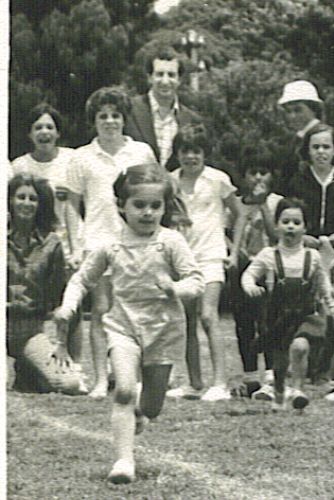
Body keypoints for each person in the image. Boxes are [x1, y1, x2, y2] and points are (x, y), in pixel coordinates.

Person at [54, 164, 204, 484]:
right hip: (123, 327)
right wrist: (68, 306)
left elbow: (196, 281)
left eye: (155, 206)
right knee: (123, 389)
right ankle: (124, 460)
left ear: (164, 207)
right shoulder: (111, 246)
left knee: (151, 407)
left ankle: (139, 412)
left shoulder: (171, 242)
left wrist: (175, 288)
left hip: (163, 329)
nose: (147, 213)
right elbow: (81, 279)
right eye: (139, 205)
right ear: (122, 205)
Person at [62, 86, 158, 398]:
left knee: (135, 309)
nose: (110, 121)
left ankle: (134, 376)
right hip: (98, 241)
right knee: (102, 309)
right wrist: (76, 246)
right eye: (103, 116)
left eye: (115, 115)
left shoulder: (141, 152)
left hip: (136, 243)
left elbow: (154, 196)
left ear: (124, 118)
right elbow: (71, 206)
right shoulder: (81, 157)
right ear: (95, 121)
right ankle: (102, 379)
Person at [278, 123, 334, 402]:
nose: (321, 152)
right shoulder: (298, 182)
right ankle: (296, 371)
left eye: (326, 146)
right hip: (307, 254)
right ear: (308, 151)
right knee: (305, 311)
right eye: (315, 147)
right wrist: (308, 238)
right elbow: (289, 217)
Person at [242, 198, 334, 410]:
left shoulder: (312, 256)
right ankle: (279, 391)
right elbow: (248, 274)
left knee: (300, 347)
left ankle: (298, 389)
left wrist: (332, 305)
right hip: (278, 316)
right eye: (286, 221)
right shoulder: (269, 255)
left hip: (306, 314)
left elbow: (323, 284)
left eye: (297, 223)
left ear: (305, 228)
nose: (291, 226)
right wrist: (249, 285)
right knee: (280, 362)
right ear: (277, 225)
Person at [165, 125, 242, 401]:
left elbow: (240, 213)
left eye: (196, 151)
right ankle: (194, 383)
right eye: (185, 151)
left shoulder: (217, 179)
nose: (191, 157)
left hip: (211, 255)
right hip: (183, 259)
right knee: (186, 322)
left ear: (205, 153)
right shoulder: (170, 181)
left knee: (208, 316)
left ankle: (220, 383)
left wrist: (234, 251)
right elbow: (165, 217)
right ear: (178, 154)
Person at [11, 104, 83, 364]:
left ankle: (74, 362)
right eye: (38, 127)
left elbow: (76, 205)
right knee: (36, 304)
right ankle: (34, 357)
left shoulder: (71, 159)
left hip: (65, 241)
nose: (44, 132)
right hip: (34, 248)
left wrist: (76, 248)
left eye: (49, 127)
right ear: (30, 134)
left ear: (58, 133)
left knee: (71, 305)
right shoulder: (19, 165)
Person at [7, 174, 78, 394]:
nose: (26, 203)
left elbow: (58, 299)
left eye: (33, 199)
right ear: (9, 200)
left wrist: (61, 344)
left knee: (69, 384)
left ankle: (27, 367)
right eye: (20, 197)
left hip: (31, 330)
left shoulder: (52, 243)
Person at [230, 149, 284, 397]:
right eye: (253, 173)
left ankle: (272, 376)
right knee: (244, 322)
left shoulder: (276, 202)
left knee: (268, 321)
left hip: (269, 267)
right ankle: (250, 375)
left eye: (263, 172)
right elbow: (227, 231)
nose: (258, 178)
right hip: (243, 266)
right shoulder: (236, 203)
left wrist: (262, 204)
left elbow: (275, 236)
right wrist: (234, 251)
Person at [124, 47, 204, 168]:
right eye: (159, 74)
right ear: (149, 77)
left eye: (171, 75)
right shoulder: (129, 110)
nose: (165, 81)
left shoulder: (192, 120)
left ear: (179, 80)